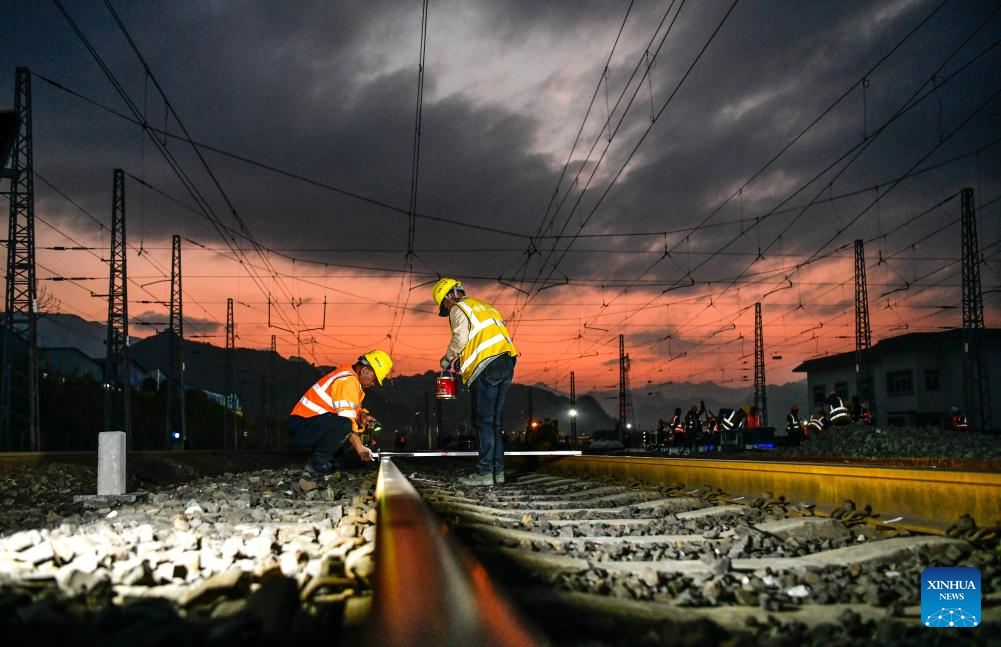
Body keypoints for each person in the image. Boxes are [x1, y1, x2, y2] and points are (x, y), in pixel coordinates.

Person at [433, 278, 518, 486]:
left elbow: (460, 338)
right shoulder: (487, 307)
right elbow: (480, 337)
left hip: (486, 367)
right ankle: (498, 472)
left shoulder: (458, 307)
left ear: (448, 297)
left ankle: (484, 473)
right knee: (494, 422)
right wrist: (464, 360)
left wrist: (447, 359)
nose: (446, 309)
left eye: (444, 304)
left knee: (483, 421)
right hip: (506, 362)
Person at [287, 350, 392, 476]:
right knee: (347, 427)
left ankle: (327, 462)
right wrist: (360, 448)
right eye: (374, 379)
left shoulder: (350, 379)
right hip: (301, 427)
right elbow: (346, 419)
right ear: (364, 370)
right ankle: (317, 465)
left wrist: (362, 416)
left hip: (308, 425)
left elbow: (349, 412)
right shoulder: (347, 381)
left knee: (351, 429)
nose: (373, 383)